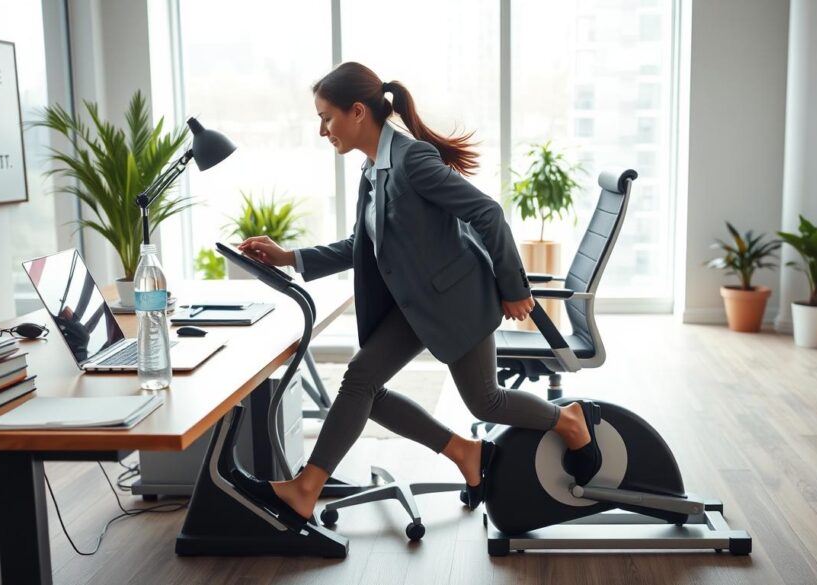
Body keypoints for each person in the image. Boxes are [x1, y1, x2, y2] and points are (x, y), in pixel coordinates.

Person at [235, 62, 599, 529]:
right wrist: (289, 257)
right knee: (364, 384)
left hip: (457, 300)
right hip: (416, 303)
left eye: (326, 117)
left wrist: (514, 289)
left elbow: (488, 213)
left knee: (485, 402)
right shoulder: (373, 168)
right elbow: (358, 246)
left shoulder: (412, 160)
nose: (322, 129)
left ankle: (569, 421)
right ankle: (454, 455)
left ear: (358, 111)